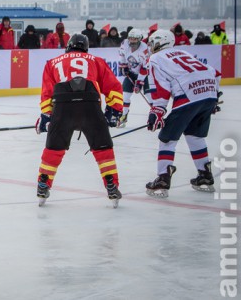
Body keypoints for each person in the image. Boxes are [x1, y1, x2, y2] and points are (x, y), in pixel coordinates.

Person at [35, 33, 124, 207]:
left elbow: (47, 93)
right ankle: (111, 185)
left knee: (53, 149)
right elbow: (113, 87)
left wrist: (47, 116)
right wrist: (113, 111)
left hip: (63, 107)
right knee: (103, 149)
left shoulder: (52, 62)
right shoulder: (96, 60)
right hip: (90, 106)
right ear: (86, 47)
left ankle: (43, 184)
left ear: (68, 46)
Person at [144, 29, 220, 198]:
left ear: (160, 42)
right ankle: (205, 175)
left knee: (167, 138)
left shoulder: (156, 59)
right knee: (195, 136)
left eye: (152, 42)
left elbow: (162, 89)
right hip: (208, 92)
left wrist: (157, 112)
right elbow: (214, 72)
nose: (150, 46)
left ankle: (163, 177)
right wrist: (215, 95)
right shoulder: (182, 51)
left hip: (188, 95)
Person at [117, 29, 150, 128]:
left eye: (134, 39)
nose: (132, 41)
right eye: (130, 38)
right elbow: (122, 56)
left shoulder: (145, 49)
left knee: (150, 96)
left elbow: (145, 68)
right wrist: (124, 67)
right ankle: (124, 116)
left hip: (145, 74)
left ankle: (155, 114)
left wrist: (139, 83)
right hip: (131, 73)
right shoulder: (125, 43)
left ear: (139, 39)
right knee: (125, 96)